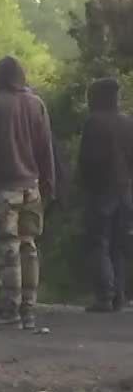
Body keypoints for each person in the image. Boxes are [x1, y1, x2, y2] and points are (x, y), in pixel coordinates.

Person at [0, 56, 54, 330]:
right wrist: (48, 185)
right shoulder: (37, 105)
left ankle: (8, 310)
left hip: (4, 190)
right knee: (28, 248)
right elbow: (46, 149)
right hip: (32, 188)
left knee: (7, 250)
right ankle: (28, 310)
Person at [77, 78, 133, 312]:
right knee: (118, 245)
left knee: (99, 241)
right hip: (125, 191)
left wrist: (83, 185)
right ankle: (119, 295)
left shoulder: (94, 122)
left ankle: (105, 295)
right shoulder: (127, 122)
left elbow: (87, 161)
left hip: (101, 191)